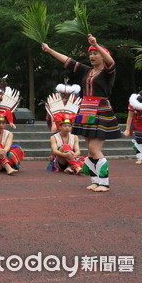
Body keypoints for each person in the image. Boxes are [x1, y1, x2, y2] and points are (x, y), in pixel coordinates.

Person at [42, 34, 121, 192]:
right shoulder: (87, 71)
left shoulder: (108, 72)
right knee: (89, 149)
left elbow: (111, 62)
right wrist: (50, 50)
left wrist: (96, 44)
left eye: (95, 53)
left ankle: (104, 183)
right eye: (90, 53)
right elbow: (68, 61)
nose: (92, 56)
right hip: (86, 110)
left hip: (100, 110)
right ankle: (95, 180)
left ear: (102, 54)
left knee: (94, 149)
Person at [123, 93, 142, 164]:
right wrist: (127, 129)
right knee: (139, 140)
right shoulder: (133, 104)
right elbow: (130, 117)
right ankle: (140, 157)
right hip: (137, 123)